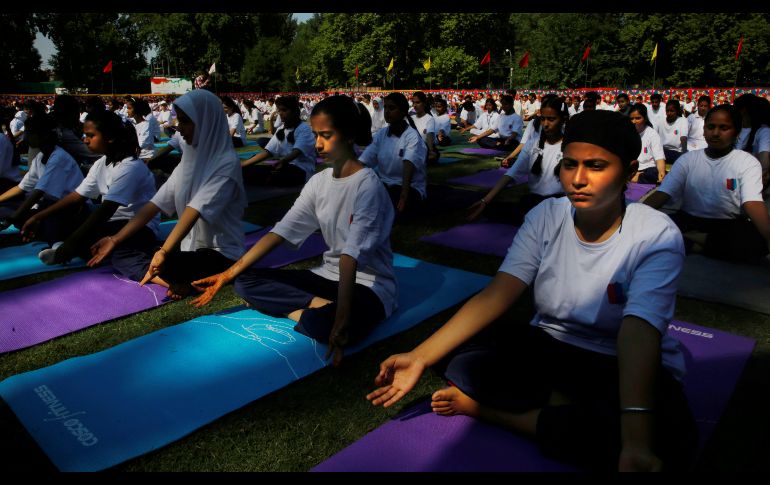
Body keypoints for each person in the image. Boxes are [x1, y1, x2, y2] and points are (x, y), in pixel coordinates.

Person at [367, 110, 698, 472]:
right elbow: (498, 293)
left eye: (596, 166)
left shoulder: (654, 233)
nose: (578, 179)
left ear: (629, 170)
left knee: (668, 438)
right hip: (551, 346)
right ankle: (570, 412)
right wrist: (419, 356)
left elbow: (638, 332)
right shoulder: (546, 215)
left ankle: (497, 411)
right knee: (458, 353)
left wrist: (635, 442)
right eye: (570, 164)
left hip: (618, 360)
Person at [190, 95, 392, 366]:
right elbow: (280, 232)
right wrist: (228, 274)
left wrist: (342, 319)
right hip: (327, 276)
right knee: (244, 281)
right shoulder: (319, 182)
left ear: (349, 135)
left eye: (326, 135)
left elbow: (350, 257)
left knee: (330, 327)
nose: (318, 144)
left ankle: (305, 310)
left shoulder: (368, 186)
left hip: (367, 286)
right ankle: (317, 306)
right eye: (315, 135)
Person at [87, 89, 248, 299]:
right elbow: (155, 204)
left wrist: (164, 252)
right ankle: (172, 280)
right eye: (179, 121)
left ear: (206, 122)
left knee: (168, 262)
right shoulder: (189, 160)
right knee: (122, 252)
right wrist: (115, 239)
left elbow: (195, 210)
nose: (179, 128)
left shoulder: (226, 163)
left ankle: (177, 279)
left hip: (221, 254)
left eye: (185, 122)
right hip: (187, 249)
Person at [19, 110, 160, 268]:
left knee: (92, 235)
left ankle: (67, 248)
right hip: (112, 221)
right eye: (85, 135)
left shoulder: (130, 167)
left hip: (137, 226)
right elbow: (77, 196)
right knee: (59, 214)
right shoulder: (101, 163)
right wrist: (38, 217)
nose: (85, 140)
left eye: (90, 136)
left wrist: (71, 243)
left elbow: (106, 210)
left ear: (110, 137)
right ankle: (66, 246)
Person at [644, 105, 770, 265]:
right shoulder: (688, 160)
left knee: (758, 240)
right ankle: (703, 245)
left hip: (728, 225)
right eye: (711, 127)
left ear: (737, 132)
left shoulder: (747, 162)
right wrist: (637, 214)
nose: (715, 133)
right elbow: (663, 193)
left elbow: (752, 202)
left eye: (724, 128)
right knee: (651, 226)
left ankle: (691, 241)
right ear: (704, 130)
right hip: (689, 220)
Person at [468, 96, 568, 226]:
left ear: (563, 119)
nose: (545, 124)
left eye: (551, 119)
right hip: (535, 201)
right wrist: (485, 201)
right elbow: (511, 174)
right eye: (543, 119)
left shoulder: (571, 146)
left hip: (560, 203)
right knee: (493, 209)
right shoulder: (532, 144)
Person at [0, 114, 84, 238]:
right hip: (51, 204)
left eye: (29, 133)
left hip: (70, 208)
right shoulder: (40, 158)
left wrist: (11, 219)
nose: (26, 136)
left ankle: (56, 242)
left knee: (32, 219)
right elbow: (21, 188)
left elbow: (38, 193)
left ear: (43, 135)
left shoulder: (58, 158)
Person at [359, 92, 427, 217]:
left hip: (408, 188)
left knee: (386, 205)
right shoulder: (381, 134)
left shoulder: (412, 136)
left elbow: (408, 165)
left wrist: (404, 195)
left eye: (392, 108)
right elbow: (365, 159)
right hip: (384, 185)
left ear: (403, 112)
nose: (387, 111)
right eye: (385, 107)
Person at [240, 96, 316, 187]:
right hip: (284, 165)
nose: (280, 113)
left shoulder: (304, 128)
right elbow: (267, 152)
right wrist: (244, 164)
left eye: (284, 110)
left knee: (261, 174)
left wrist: (283, 161)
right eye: (279, 110)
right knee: (245, 170)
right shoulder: (281, 128)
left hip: (301, 170)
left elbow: (297, 151)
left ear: (294, 111)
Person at [732, 94, 770, 189]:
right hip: (732, 179)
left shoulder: (763, 131)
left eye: (735, 108)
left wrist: (763, 173)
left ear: (743, 110)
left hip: (748, 182)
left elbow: (764, 157)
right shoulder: (735, 129)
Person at [629, 104, 666, 184]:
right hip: (632, 169)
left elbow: (659, 157)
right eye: (631, 118)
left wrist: (661, 173)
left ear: (645, 118)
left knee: (654, 174)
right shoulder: (627, 133)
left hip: (648, 169)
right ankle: (634, 176)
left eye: (638, 118)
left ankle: (633, 177)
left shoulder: (652, 134)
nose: (634, 121)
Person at [410, 92, 439, 164]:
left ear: (424, 103)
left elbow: (430, 135)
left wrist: (431, 150)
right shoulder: (411, 118)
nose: (415, 105)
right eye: (413, 102)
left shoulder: (429, 118)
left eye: (417, 102)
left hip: (424, 147)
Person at [657, 100, 688, 165]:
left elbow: (683, 138)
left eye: (672, 111)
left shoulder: (683, 120)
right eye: (667, 111)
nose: (669, 113)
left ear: (677, 111)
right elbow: (655, 137)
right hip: (662, 150)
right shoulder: (660, 121)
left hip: (676, 151)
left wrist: (685, 155)